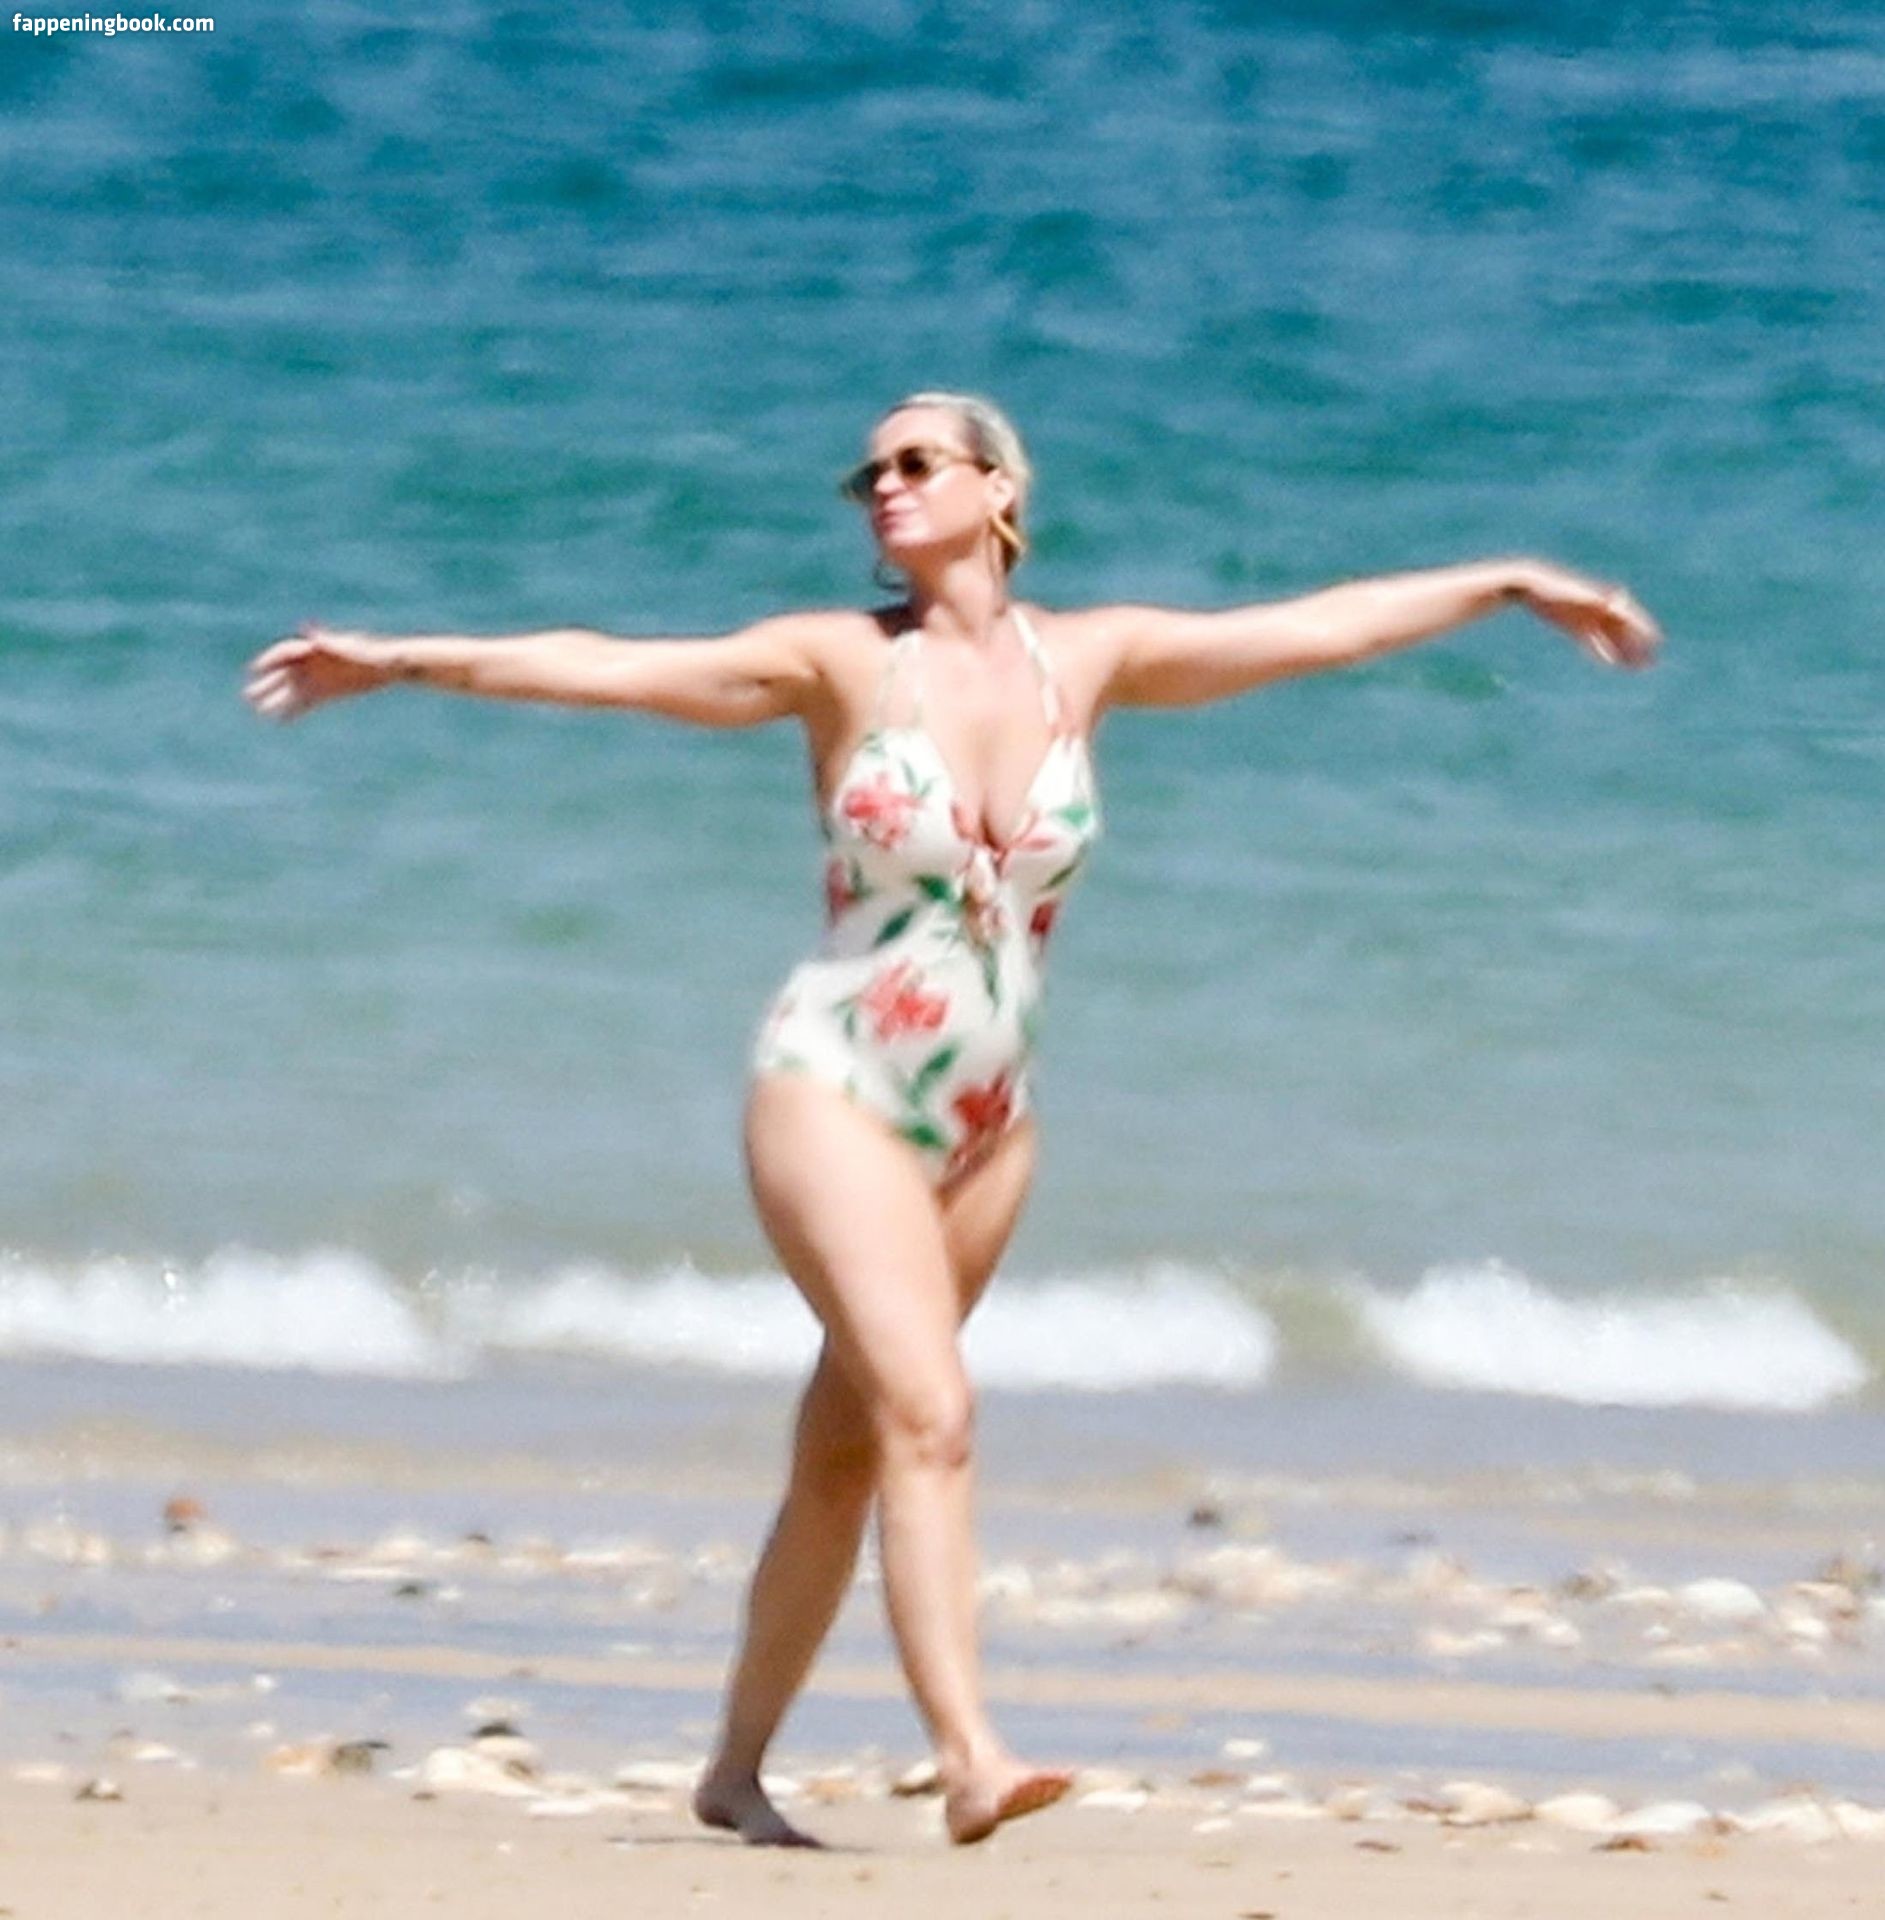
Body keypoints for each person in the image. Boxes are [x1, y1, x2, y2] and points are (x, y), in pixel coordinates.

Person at [244, 390, 1660, 1845]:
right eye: (869, 472)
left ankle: (733, 1774)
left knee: (845, 1450)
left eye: (916, 462)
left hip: (990, 1122)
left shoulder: (1091, 659)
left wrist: (1506, 582)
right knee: (934, 1414)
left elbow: (1314, 629)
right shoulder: (838, 662)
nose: (884, 485)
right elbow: (615, 667)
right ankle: (970, 1755)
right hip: (835, 1086)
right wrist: (403, 660)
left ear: (998, 490)